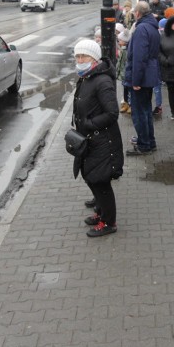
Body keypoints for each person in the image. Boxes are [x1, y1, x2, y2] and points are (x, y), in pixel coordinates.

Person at [71, 39, 124, 237]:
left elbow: (112, 113)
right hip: (89, 140)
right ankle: (101, 212)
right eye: (77, 56)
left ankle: (109, 222)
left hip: (103, 140)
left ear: (94, 58)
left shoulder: (101, 81)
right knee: (90, 177)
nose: (80, 59)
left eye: (83, 56)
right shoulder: (85, 76)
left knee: (100, 182)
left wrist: (89, 124)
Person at [124, 1, 161, 155]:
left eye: (134, 13)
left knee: (139, 113)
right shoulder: (152, 27)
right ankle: (149, 141)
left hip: (142, 77)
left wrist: (136, 81)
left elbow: (139, 57)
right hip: (150, 74)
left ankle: (144, 144)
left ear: (138, 13)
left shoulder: (141, 29)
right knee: (145, 110)